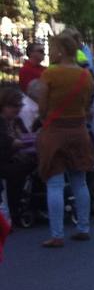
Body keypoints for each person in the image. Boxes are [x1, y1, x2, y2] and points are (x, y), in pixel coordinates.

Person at [34, 32, 94, 248]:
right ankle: (84, 227)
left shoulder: (50, 74)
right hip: (79, 130)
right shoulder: (85, 75)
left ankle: (57, 234)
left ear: (60, 50)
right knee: (80, 181)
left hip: (55, 131)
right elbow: (87, 103)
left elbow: (42, 106)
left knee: (55, 182)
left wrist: (46, 118)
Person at [1, 85, 38, 220]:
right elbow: (9, 142)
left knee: (36, 163)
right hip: (4, 159)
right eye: (13, 106)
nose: (17, 109)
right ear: (4, 106)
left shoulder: (17, 121)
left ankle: (33, 203)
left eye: (19, 106)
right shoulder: (1, 123)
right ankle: (14, 208)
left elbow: (26, 135)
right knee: (19, 170)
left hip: (16, 157)